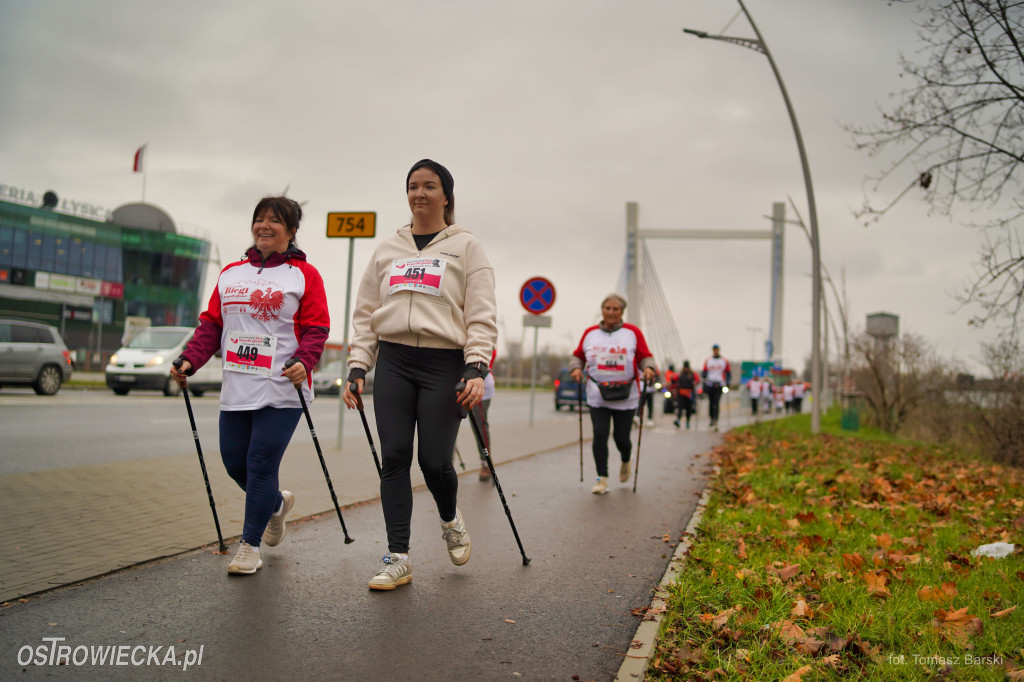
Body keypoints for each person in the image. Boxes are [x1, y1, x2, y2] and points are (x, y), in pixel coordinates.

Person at [342, 159, 497, 591]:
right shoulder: (388, 248)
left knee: (433, 461)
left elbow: (482, 315)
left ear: (446, 195)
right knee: (393, 456)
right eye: (413, 186)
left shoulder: (467, 248)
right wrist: (358, 365)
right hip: (393, 360)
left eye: (430, 186)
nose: (419, 194)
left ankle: (449, 517)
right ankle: (398, 557)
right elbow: (366, 312)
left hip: (443, 365)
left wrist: (475, 366)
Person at [170, 196, 329, 575]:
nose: (264, 226)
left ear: (291, 232)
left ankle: (250, 545)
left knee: (260, 462)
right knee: (233, 462)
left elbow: (317, 328)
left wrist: (302, 362)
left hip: (281, 389)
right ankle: (275, 504)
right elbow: (212, 325)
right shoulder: (231, 273)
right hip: (238, 388)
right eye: (259, 219)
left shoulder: (304, 275)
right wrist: (190, 359)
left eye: (275, 221)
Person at [568, 293, 657, 494]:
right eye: (607, 308)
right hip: (597, 393)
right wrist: (575, 369)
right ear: (602, 310)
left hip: (626, 395)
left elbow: (645, 357)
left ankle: (626, 459)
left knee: (621, 438)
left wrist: (649, 368)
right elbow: (577, 356)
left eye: (615, 309)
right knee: (599, 435)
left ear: (622, 312)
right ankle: (602, 478)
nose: (611, 312)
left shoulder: (632, 332)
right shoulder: (590, 333)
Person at [701, 344, 731, 431]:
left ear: (719, 350)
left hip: (719, 384)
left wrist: (728, 383)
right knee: (711, 402)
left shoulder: (724, 361)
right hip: (710, 384)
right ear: (712, 350)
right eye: (714, 350)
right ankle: (711, 419)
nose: (716, 351)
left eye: (717, 350)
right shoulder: (708, 360)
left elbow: (728, 373)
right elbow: (704, 372)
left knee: (716, 402)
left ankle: (716, 419)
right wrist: (703, 380)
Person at [673, 360, 699, 429]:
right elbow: (674, 379)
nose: (686, 369)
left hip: (689, 393)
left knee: (689, 409)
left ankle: (688, 422)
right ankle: (678, 420)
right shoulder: (680, 374)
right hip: (681, 393)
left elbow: (698, 380)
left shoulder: (693, 374)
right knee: (680, 408)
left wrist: (695, 383)